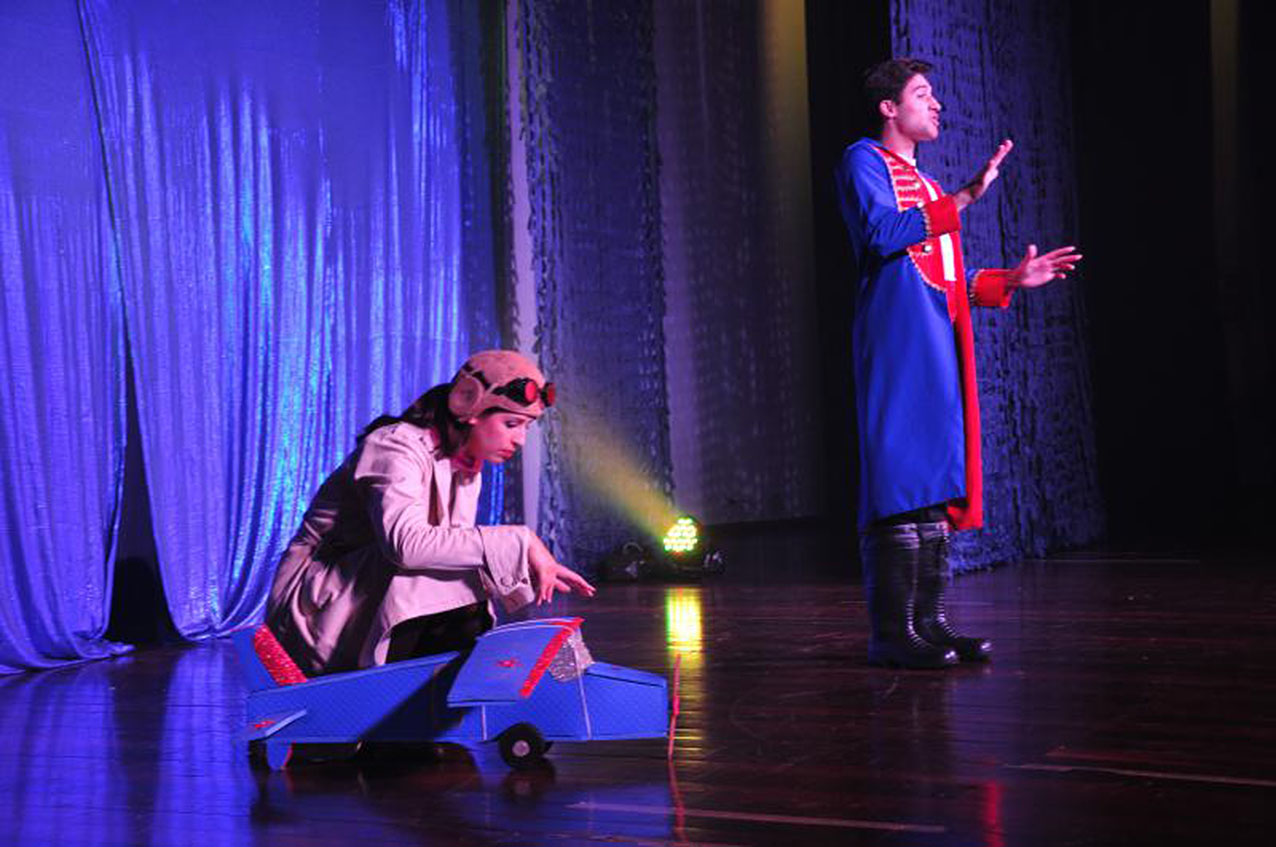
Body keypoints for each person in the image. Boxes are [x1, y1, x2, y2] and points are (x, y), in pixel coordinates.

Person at [835, 58, 1081, 669]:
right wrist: (966, 196)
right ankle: (891, 634)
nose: (936, 105)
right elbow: (881, 235)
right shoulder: (863, 159)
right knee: (898, 477)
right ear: (889, 108)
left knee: (933, 482)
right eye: (922, 95)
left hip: (935, 338)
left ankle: (930, 624)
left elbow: (941, 277)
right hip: (897, 339)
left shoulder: (925, 184)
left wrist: (1011, 280)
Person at [266, 349, 595, 676]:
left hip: (363, 597)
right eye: (511, 424)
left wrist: (515, 559)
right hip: (314, 609)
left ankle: (447, 679)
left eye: (526, 427)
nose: (520, 439)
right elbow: (406, 546)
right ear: (469, 405)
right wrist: (519, 540)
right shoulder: (394, 446)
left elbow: (451, 548)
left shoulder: (465, 464)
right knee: (428, 567)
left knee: (453, 566)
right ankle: (420, 680)